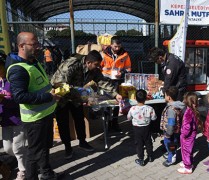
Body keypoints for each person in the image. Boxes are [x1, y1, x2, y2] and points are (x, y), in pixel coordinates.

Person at [6, 32, 60, 180]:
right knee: (34, 153)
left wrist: (53, 88)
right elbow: (19, 96)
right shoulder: (18, 69)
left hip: (46, 113)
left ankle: (47, 174)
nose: (38, 47)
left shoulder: (32, 62)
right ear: (22, 46)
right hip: (35, 119)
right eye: (34, 44)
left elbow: (39, 84)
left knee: (44, 148)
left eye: (38, 43)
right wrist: (48, 96)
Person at [51, 50, 122, 159]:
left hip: (75, 96)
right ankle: (67, 147)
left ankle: (82, 142)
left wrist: (115, 94)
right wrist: (79, 93)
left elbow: (102, 82)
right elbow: (59, 84)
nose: (98, 67)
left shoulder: (93, 69)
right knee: (63, 123)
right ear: (88, 62)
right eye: (96, 65)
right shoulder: (71, 65)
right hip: (61, 96)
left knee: (79, 119)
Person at [0, 54, 26, 180]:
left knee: (18, 147)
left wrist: (3, 100)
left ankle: (23, 171)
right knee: (8, 148)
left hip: (17, 119)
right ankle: (25, 160)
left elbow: (20, 100)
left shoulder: (13, 80)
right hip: (5, 120)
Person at [101, 36, 131, 131]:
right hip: (106, 81)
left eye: (119, 46)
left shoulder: (125, 54)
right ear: (111, 45)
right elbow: (99, 67)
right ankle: (107, 123)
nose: (117, 48)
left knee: (118, 102)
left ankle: (114, 122)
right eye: (115, 46)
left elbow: (129, 68)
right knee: (106, 103)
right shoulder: (103, 54)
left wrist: (121, 73)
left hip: (118, 81)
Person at [127, 89, 157, 166]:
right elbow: (154, 118)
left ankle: (141, 159)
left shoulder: (132, 108)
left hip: (137, 129)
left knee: (139, 144)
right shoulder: (150, 108)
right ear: (146, 98)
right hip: (147, 127)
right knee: (148, 142)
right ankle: (150, 156)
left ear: (135, 99)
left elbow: (129, 118)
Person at [160, 86, 185, 167]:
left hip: (170, 132)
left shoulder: (171, 109)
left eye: (165, 95)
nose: (164, 96)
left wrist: (168, 133)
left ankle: (171, 159)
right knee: (172, 144)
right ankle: (171, 153)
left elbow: (171, 123)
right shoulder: (180, 105)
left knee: (170, 144)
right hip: (176, 130)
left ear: (169, 97)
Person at [177, 92, 201, 174]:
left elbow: (187, 126)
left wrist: (183, 135)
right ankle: (187, 162)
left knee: (186, 151)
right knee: (189, 150)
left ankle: (188, 167)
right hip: (192, 134)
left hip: (187, 136)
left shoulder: (188, 112)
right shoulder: (193, 110)